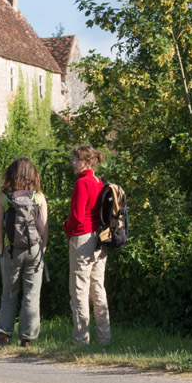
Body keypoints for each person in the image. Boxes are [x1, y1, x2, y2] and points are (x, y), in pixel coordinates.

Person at [0, 157, 49, 348]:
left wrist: (2, 250)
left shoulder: (4, 196)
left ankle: (4, 335)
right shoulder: (38, 196)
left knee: (9, 293)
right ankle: (27, 339)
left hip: (11, 250)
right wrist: (43, 248)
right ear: (32, 174)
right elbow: (45, 228)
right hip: (35, 250)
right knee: (31, 294)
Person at [64, 145, 110, 346]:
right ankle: (104, 338)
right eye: (74, 159)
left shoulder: (82, 183)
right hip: (100, 240)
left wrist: (67, 229)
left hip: (82, 238)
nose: (73, 163)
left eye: (78, 160)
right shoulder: (99, 182)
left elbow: (77, 216)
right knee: (98, 288)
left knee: (79, 291)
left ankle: (81, 340)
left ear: (89, 162)